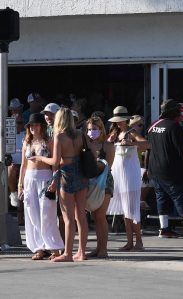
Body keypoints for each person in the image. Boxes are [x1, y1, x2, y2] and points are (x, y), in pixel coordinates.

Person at [40, 107, 88, 262]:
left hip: (66, 175)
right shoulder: (80, 134)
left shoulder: (59, 137)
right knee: (81, 216)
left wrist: (40, 158)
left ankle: (67, 253)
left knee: (68, 218)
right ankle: (82, 252)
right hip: (81, 174)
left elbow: (55, 161)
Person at [147, 99, 183, 239]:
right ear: (173, 112)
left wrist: (147, 168)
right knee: (181, 198)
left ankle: (164, 229)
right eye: (178, 111)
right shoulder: (175, 127)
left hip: (155, 170)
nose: (180, 113)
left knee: (161, 198)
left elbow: (149, 149)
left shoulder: (153, 126)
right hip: (172, 170)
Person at [17, 113, 63, 260]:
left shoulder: (49, 141)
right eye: (31, 125)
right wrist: (20, 184)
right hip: (29, 179)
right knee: (32, 214)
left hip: (45, 178)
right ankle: (39, 247)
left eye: (36, 125)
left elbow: (55, 164)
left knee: (47, 213)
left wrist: (54, 181)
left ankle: (54, 247)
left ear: (41, 126)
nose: (33, 128)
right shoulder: (26, 142)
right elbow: (23, 165)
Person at [107, 107, 149, 251]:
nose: (118, 123)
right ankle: (130, 242)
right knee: (126, 211)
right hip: (119, 175)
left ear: (126, 120)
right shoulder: (115, 134)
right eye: (116, 121)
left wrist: (132, 144)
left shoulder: (131, 132)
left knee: (132, 210)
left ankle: (139, 242)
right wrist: (109, 141)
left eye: (121, 120)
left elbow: (147, 144)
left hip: (130, 176)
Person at [84, 114, 115, 259]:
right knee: (95, 216)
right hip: (90, 182)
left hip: (104, 182)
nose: (91, 132)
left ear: (101, 130)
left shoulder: (107, 146)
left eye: (94, 129)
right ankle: (98, 248)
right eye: (89, 129)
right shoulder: (85, 145)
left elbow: (108, 166)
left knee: (101, 215)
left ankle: (104, 249)